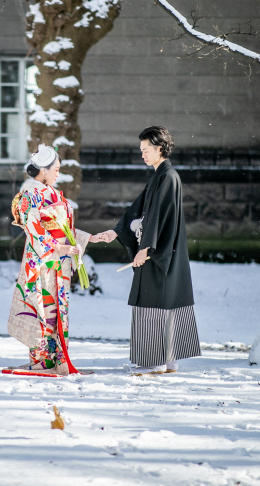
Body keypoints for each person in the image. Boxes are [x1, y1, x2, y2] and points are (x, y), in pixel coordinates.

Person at [95, 126, 200, 375]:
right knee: (165, 301)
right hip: (161, 253)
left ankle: (154, 361)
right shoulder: (159, 176)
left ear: (160, 149)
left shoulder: (168, 177)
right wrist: (116, 232)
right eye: (141, 150)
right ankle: (169, 359)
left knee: (153, 302)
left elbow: (158, 219)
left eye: (146, 150)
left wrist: (145, 248)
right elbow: (138, 210)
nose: (142, 154)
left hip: (159, 254)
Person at [6, 144, 100, 376]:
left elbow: (64, 229)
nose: (58, 173)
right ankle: (41, 360)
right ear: (43, 169)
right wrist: (60, 248)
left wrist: (89, 238)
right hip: (41, 259)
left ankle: (57, 359)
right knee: (41, 305)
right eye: (55, 169)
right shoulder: (30, 193)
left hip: (59, 260)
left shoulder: (55, 194)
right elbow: (35, 229)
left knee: (56, 309)